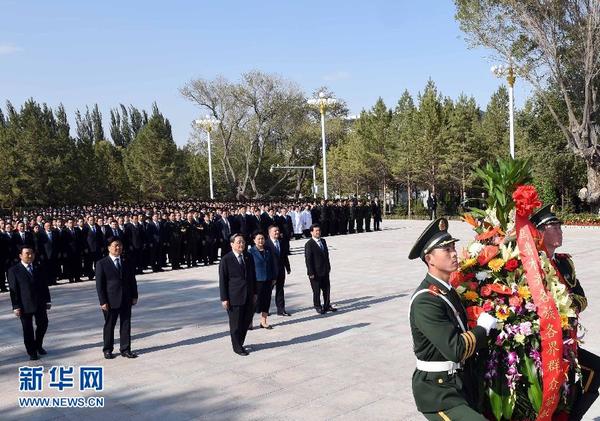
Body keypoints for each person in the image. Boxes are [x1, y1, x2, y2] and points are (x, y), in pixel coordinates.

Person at [408, 217, 496, 420]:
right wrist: (482, 329)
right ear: (430, 259)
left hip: (461, 382)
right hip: (438, 391)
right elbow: (455, 349)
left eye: (453, 247)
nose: (454, 253)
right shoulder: (426, 301)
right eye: (446, 250)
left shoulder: (447, 291)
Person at [530, 205, 600, 420]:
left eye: (560, 226)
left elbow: (581, 298)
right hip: (545, 342)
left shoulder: (563, 263)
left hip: (567, 339)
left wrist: (566, 307)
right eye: (554, 226)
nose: (560, 230)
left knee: (594, 371)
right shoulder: (532, 265)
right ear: (540, 232)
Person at [95, 237, 139, 359]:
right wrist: (103, 301)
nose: (118, 248)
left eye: (120, 245)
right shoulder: (102, 263)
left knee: (126, 324)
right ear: (109, 247)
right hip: (110, 300)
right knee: (109, 325)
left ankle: (125, 349)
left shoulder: (127, 261)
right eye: (115, 245)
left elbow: (132, 280)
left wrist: (134, 295)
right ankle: (108, 349)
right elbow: (99, 285)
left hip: (126, 298)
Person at [8, 245, 51, 360]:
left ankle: (38, 345)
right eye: (27, 253)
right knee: (28, 329)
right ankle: (32, 351)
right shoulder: (14, 270)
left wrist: (48, 300)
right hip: (24, 304)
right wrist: (16, 306)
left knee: (43, 324)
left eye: (32, 253)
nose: (30, 255)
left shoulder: (38, 267)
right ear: (20, 256)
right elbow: (13, 290)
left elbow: (44, 286)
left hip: (40, 302)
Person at [219, 234, 256, 356]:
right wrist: (224, 298)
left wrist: (255, 292)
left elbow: (253, 275)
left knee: (246, 321)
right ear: (232, 244)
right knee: (236, 324)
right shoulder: (226, 259)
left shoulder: (248, 257)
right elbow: (223, 280)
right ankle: (237, 347)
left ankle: (239, 342)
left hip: (248, 294)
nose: (241, 244)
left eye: (243, 242)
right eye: (239, 242)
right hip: (234, 296)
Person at [304, 224, 336, 314]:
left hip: (325, 270)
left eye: (319, 230)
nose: (318, 232)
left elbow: (326, 255)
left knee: (327, 289)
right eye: (316, 231)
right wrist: (311, 272)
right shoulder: (309, 244)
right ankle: (318, 306)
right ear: (311, 232)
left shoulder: (323, 241)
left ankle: (327, 305)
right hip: (315, 272)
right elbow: (308, 260)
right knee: (316, 291)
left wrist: (328, 266)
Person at [249, 232, 276, 329]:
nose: (261, 240)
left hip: (268, 279)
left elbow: (273, 264)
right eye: (258, 239)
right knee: (255, 301)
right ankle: (249, 322)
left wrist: (274, 277)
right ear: (254, 240)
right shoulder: (250, 252)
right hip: (257, 280)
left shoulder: (268, 250)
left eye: (262, 238)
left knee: (266, 300)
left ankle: (263, 321)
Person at [266, 225, 291, 316]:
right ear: (269, 233)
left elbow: (284, 256)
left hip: (280, 271)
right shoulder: (266, 244)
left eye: (278, 231)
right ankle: (265, 310)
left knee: (280, 290)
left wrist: (288, 267)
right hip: (271, 272)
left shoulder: (281, 242)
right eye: (275, 231)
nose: (277, 232)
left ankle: (281, 309)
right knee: (268, 292)